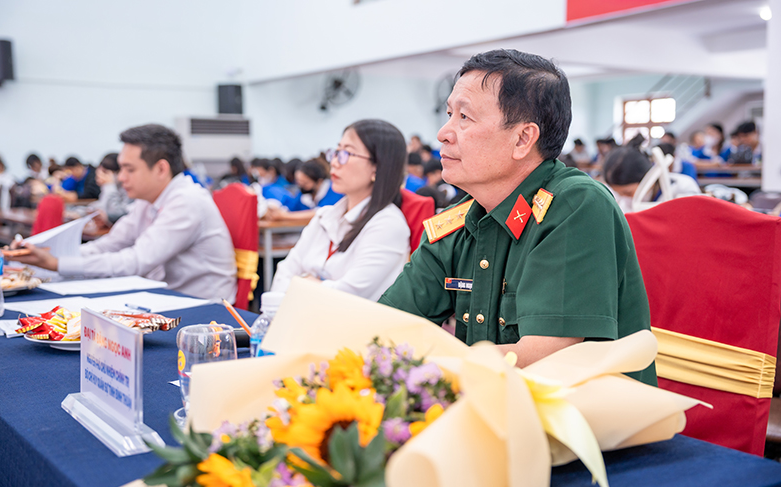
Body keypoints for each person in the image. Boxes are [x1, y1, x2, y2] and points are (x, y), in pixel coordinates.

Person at [378, 49, 656, 385]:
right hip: (486, 402)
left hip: (583, 413)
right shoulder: (457, 222)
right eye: (449, 114)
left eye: (464, 117)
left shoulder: (574, 206)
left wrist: (420, 363)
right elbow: (387, 327)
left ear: (523, 139)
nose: (443, 133)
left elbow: (544, 359)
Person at [12, 124, 237, 301]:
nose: (120, 178)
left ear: (161, 169)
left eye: (129, 169)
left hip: (206, 314)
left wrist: (57, 263)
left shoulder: (187, 201)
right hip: (168, 298)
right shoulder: (148, 200)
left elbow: (136, 261)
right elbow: (110, 244)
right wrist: (51, 256)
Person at [270, 119, 410, 302]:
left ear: (378, 168)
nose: (334, 162)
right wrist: (310, 284)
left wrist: (301, 282)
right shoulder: (324, 216)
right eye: (336, 152)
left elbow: (345, 298)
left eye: (347, 153)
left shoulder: (388, 225)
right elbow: (284, 273)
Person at [603, 144, 700, 213]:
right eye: (619, 194)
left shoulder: (683, 187)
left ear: (648, 179)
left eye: (628, 193)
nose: (625, 198)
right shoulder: (624, 201)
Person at [268, 159, 343, 220]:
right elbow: (290, 208)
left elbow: (321, 213)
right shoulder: (303, 193)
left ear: (319, 182)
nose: (302, 186)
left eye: (305, 183)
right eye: (299, 182)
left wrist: (285, 216)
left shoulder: (334, 191)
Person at [93, 152, 133, 224]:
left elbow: (115, 214)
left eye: (105, 173)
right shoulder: (111, 187)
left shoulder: (127, 188)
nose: (101, 177)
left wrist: (110, 185)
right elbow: (101, 206)